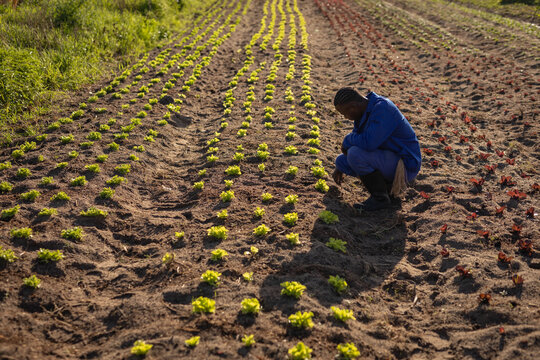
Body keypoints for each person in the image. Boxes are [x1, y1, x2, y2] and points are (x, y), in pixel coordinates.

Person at [332, 87, 421, 211]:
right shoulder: (364, 111)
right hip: (388, 158)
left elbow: (369, 143)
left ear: (353, 106)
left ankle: (380, 199)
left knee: (354, 154)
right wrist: (340, 167)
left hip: (405, 164)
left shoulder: (382, 108)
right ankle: (386, 188)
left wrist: (347, 139)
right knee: (342, 161)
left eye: (344, 113)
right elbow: (359, 141)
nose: (346, 118)